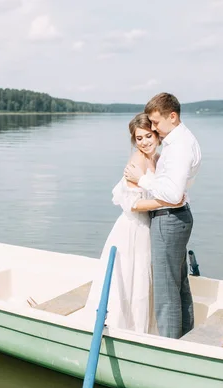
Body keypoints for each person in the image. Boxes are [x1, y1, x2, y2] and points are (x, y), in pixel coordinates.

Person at [85, 112, 183, 334]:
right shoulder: (136, 162)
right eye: (139, 138)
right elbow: (132, 204)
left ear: (156, 134)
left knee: (144, 279)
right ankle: (127, 329)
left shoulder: (158, 159)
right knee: (133, 278)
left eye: (148, 136)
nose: (145, 142)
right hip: (133, 228)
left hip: (149, 227)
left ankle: (147, 329)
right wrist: (165, 202)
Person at [124, 92, 202, 339]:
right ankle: (186, 338)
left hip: (169, 219)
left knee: (166, 291)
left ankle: (169, 347)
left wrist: (142, 178)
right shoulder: (180, 140)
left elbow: (172, 193)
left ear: (172, 116)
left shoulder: (178, 147)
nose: (154, 129)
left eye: (156, 123)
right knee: (179, 286)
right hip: (177, 216)